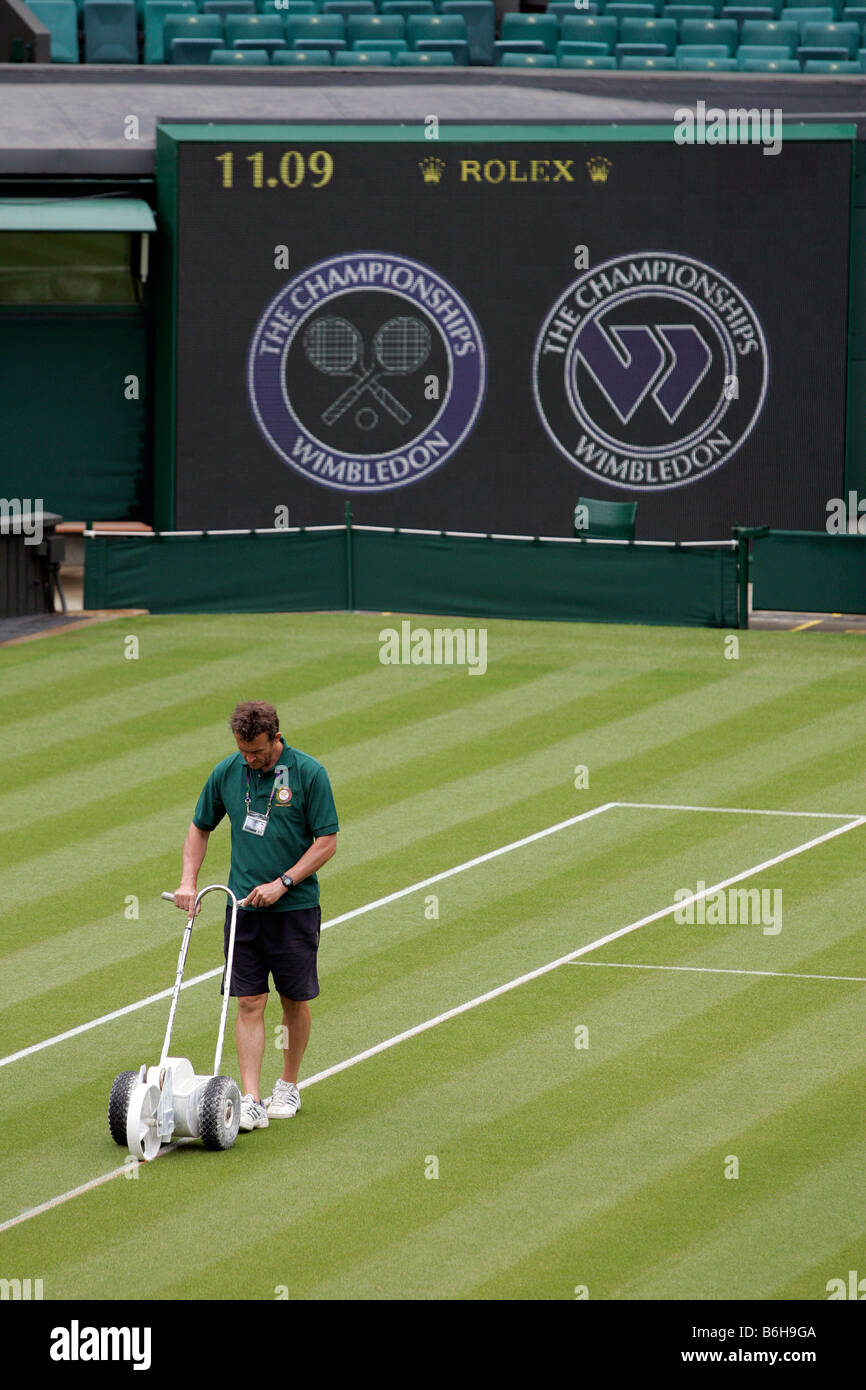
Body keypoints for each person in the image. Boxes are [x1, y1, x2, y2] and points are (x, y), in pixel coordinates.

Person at [172, 700, 338, 1133]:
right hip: (242, 910)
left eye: (258, 753)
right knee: (247, 1000)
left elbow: (326, 842)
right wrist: (188, 880)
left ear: (275, 737)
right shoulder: (228, 772)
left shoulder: (308, 774)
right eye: (244, 751)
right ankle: (250, 1098)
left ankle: (288, 1083)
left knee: (293, 999)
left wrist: (283, 882)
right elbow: (199, 826)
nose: (250, 759)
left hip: (294, 909)